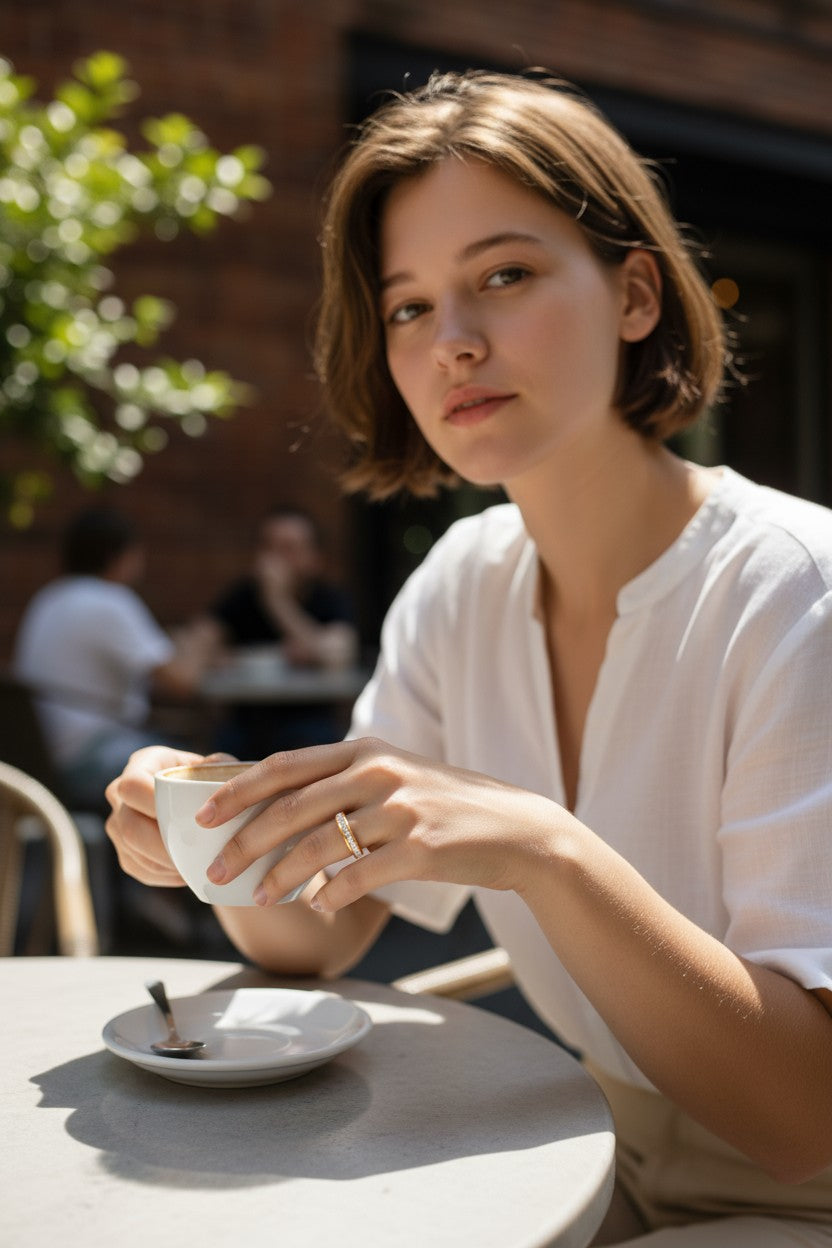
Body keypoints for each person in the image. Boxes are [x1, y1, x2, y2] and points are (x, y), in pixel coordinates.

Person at [104, 71, 832, 1244]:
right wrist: (213, 837)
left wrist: (546, 850)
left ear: (635, 293)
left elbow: (804, 1120)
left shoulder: (794, 589)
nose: (454, 342)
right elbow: (327, 931)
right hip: (600, 1147)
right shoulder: (462, 583)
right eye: (406, 307)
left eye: (505, 275)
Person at [13, 505, 214, 811]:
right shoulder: (110, 601)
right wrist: (203, 639)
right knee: (208, 766)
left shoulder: (48, 598)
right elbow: (183, 683)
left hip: (37, 758)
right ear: (116, 555)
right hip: (86, 758)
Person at [196, 506, 358, 757]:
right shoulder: (243, 596)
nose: (276, 559)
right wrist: (220, 657)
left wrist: (277, 601)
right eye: (268, 547)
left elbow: (338, 653)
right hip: (245, 722)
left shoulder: (328, 598)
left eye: (288, 549)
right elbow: (197, 643)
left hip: (308, 720)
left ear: (313, 558)